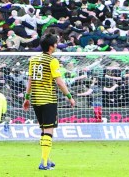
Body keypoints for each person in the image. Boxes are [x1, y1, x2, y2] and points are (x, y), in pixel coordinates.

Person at [23, 33, 76, 171]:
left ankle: (46, 158)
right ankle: (44, 163)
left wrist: (27, 98)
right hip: (48, 99)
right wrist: (69, 96)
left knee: (43, 130)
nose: (57, 45)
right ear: (52, 47)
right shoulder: (52, 61)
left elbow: (30, 80)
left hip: (35, 99)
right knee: (49, 131)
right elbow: (59, 82)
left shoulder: (33, 60)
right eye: (56, 43)